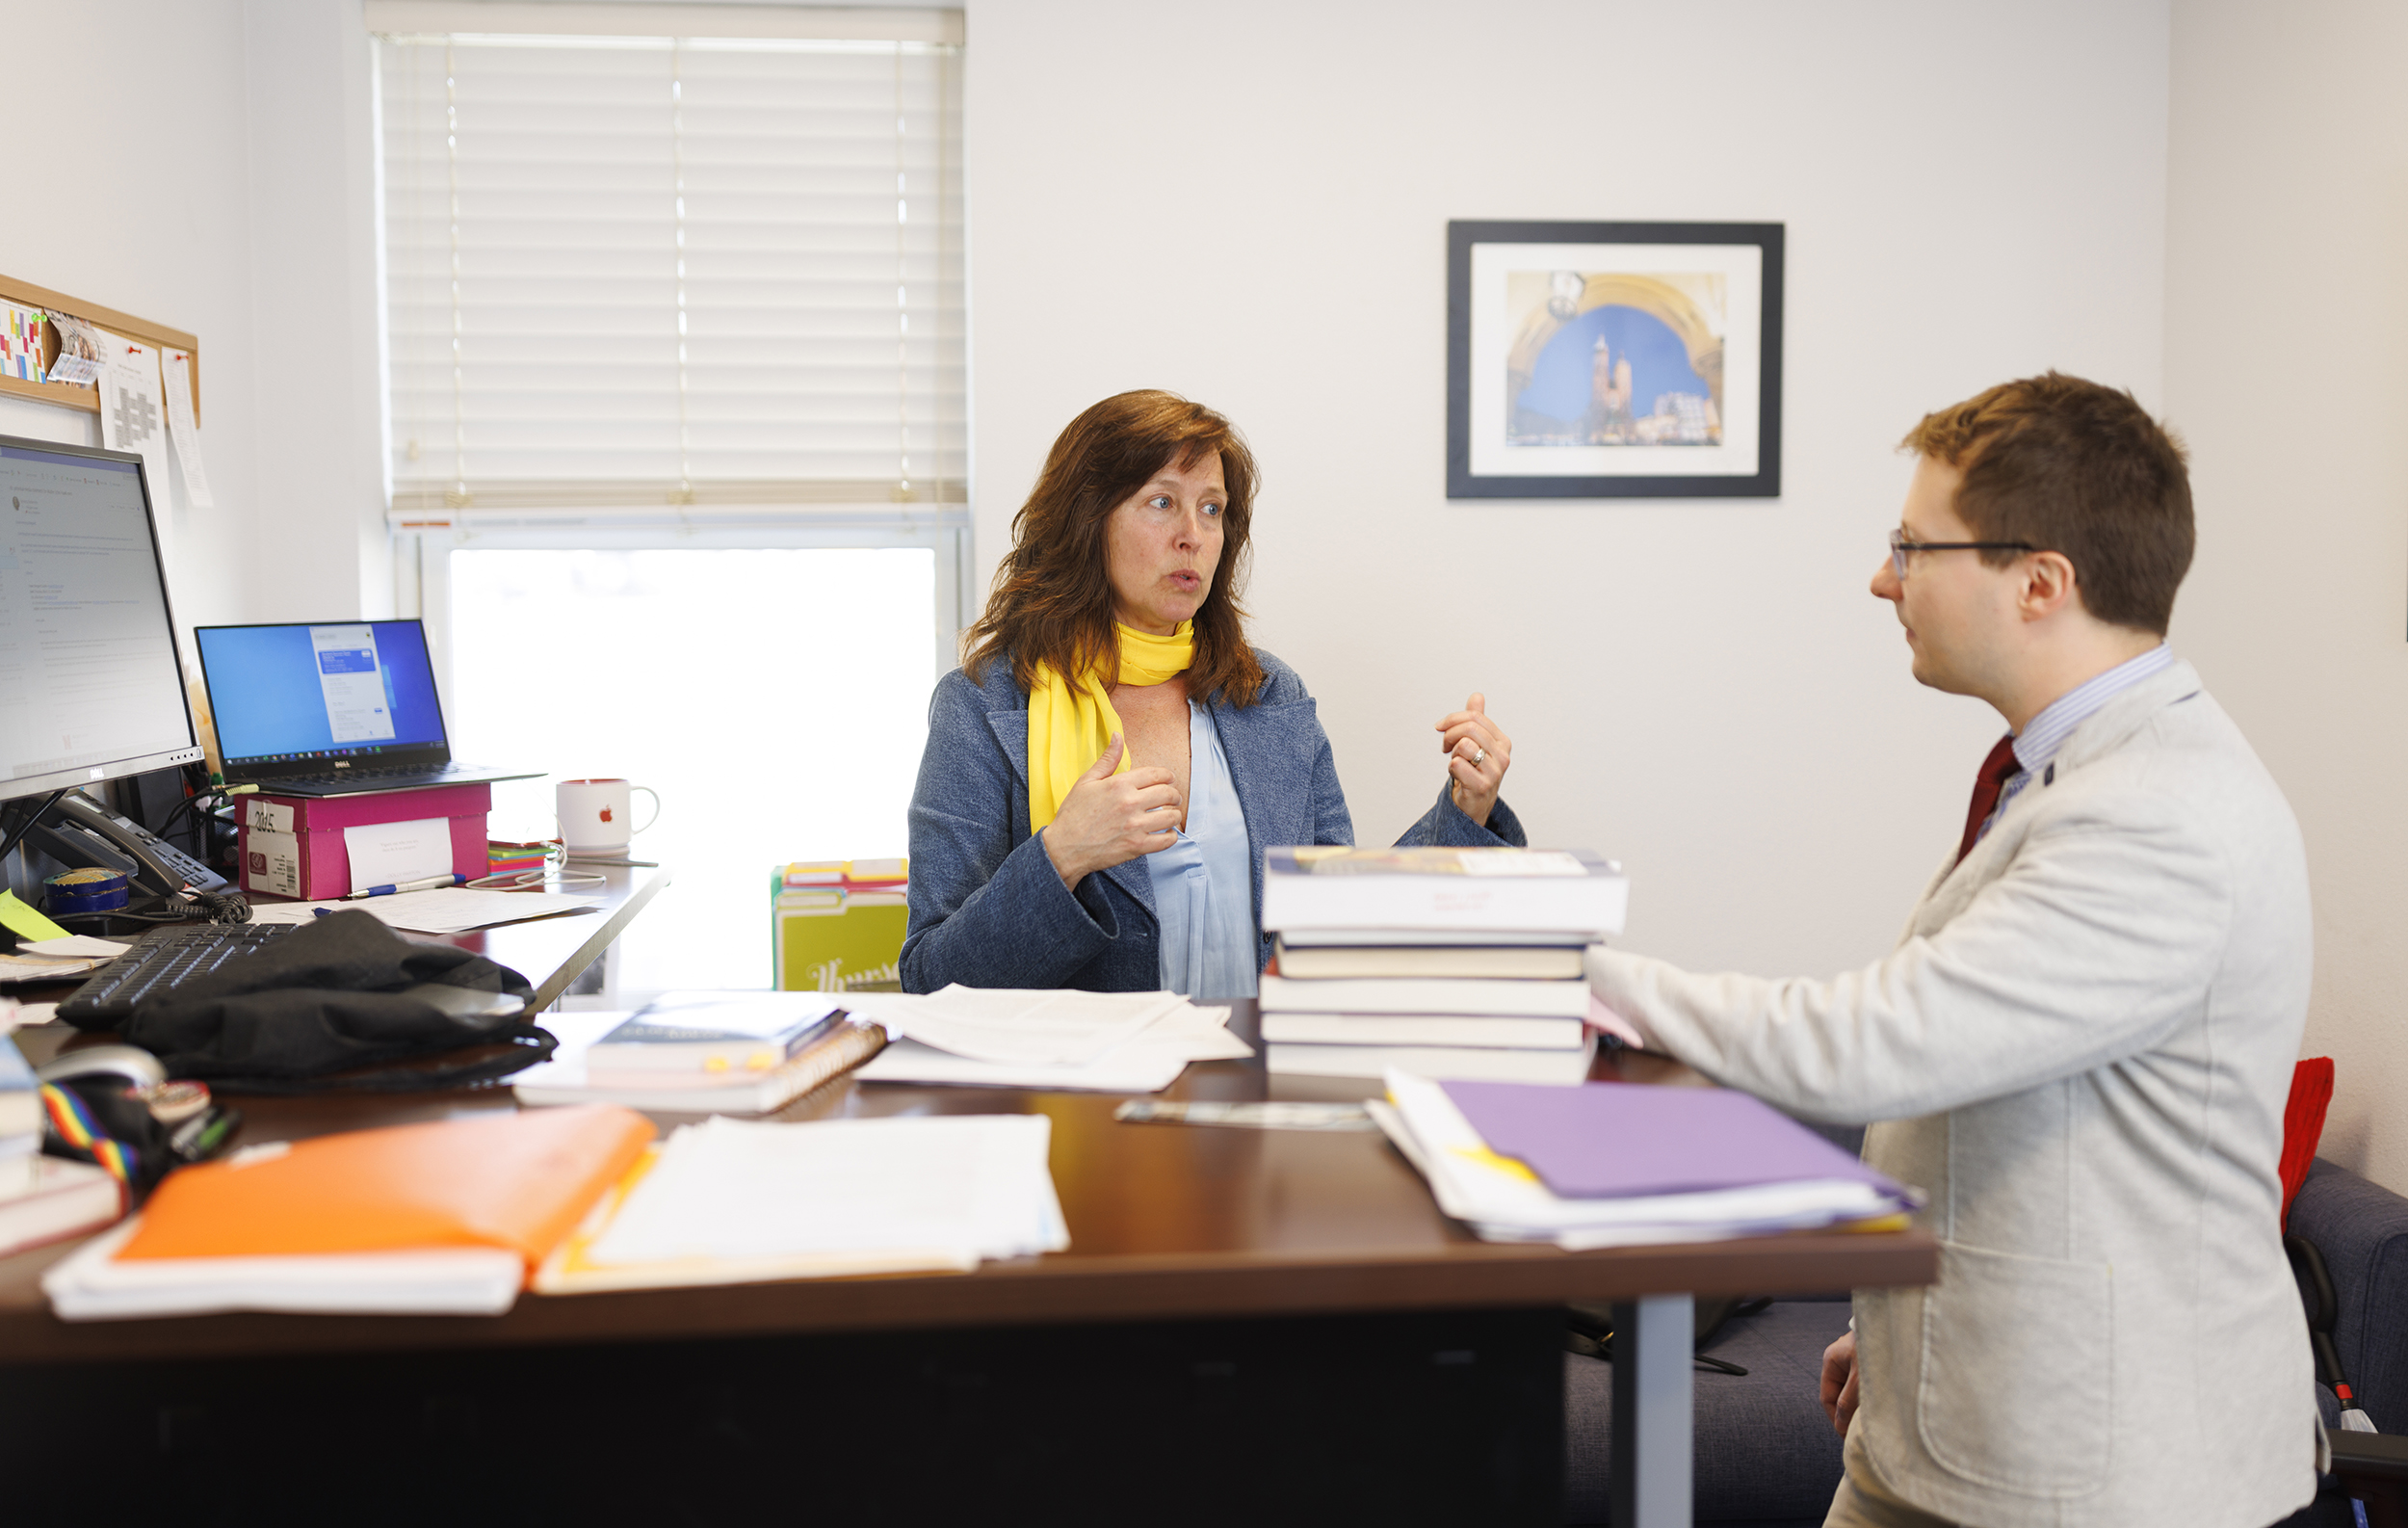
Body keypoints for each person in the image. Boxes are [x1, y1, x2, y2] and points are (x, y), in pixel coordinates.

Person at [1588, 374, 2315, 1528]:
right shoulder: (2066, 771)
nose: (1883, 579)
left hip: (2101, 1464)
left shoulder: (2158, 813)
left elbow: (1885, 1041)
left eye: (1912, 547)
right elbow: (2016, 1089)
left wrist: (1587, 975)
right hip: (1957, 1409)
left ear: (2039, 582)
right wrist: (1898, 1330)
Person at [902, 389, 1526, 997]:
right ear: (1087, 519)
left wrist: (1464, 811)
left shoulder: (1270, 694)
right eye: (1161, 502)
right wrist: (1061, 856)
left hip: (1259, 1085)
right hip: (1086, 1097)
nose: (1192, 536)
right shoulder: (985, 706)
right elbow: (930, 975)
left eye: (1211, 508)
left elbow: (1340, 920)